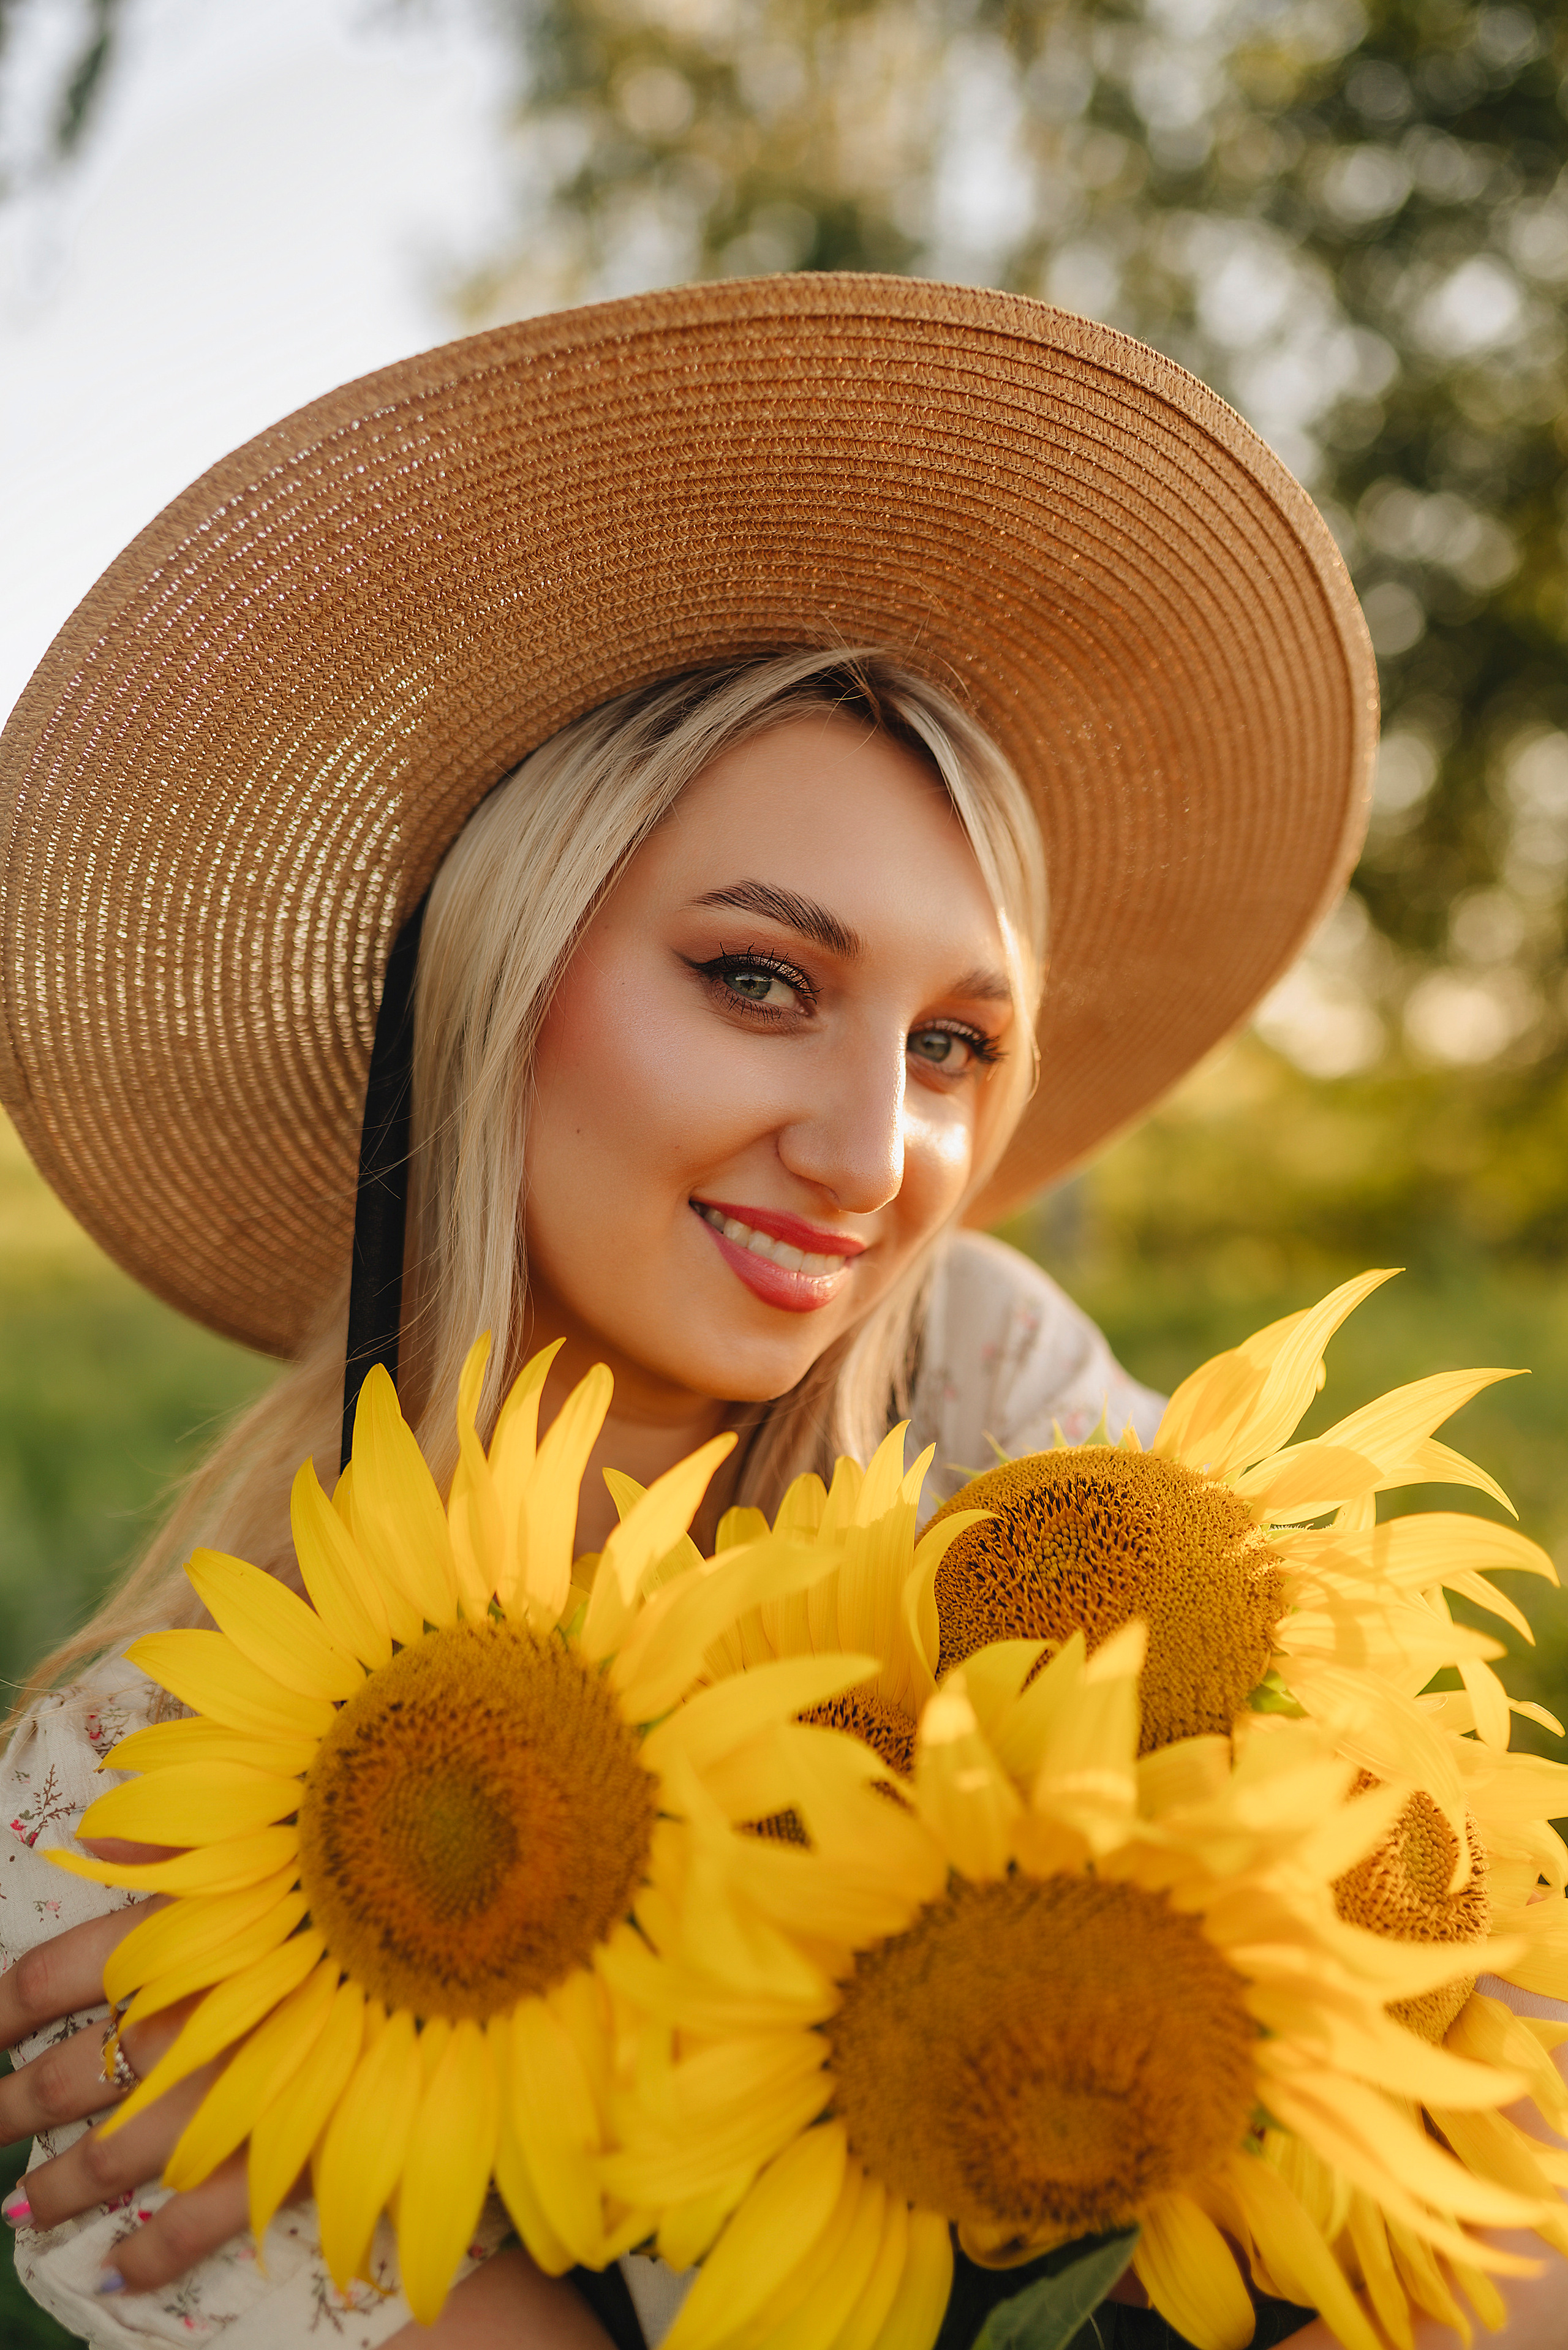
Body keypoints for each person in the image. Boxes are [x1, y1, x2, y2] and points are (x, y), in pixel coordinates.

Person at [1, 274, 1544, 2350]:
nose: (870, 1153)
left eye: (951, 1045)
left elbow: (1464, 1980)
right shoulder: (144, 1841)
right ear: (492, 991)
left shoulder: (994, 1410)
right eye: (757, 979)